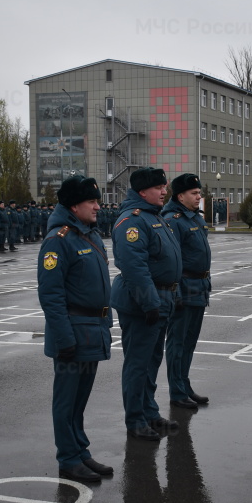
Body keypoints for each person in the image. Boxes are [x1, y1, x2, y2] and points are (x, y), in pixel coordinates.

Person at [37, 175, 113, 483]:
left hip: (92, 329)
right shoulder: (59, 240)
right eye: (91, 202)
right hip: (72, 332)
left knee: (80, 401)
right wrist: (65, 339)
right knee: (66, 400)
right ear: (74, 206)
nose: (98, 206)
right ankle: (68, 458)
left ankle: (80, 451)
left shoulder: (89, 234)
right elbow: (51, 296)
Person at [111, 167, 182, 441]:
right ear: (142, 192)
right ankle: (135, 419)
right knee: (138, 363)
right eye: (159, 188)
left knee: (152, 361)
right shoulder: (133, 221)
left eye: (165, 187)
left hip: (161, 299)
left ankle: (149, 411)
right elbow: (134, 267)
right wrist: (150, 303)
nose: (165, 191)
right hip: (142, 304)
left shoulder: (154, 217)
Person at [162, 173, 212, 410]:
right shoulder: (173, 219)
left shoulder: (193, 218)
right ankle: (176, 390)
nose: (198, 197)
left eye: (199, 193)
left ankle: (184, 384)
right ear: (180, 196)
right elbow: (173, 261)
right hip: (184, 288)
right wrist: (177, 294)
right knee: (177, 342)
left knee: (190, 342)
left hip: (199, 288)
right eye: (194, 193)